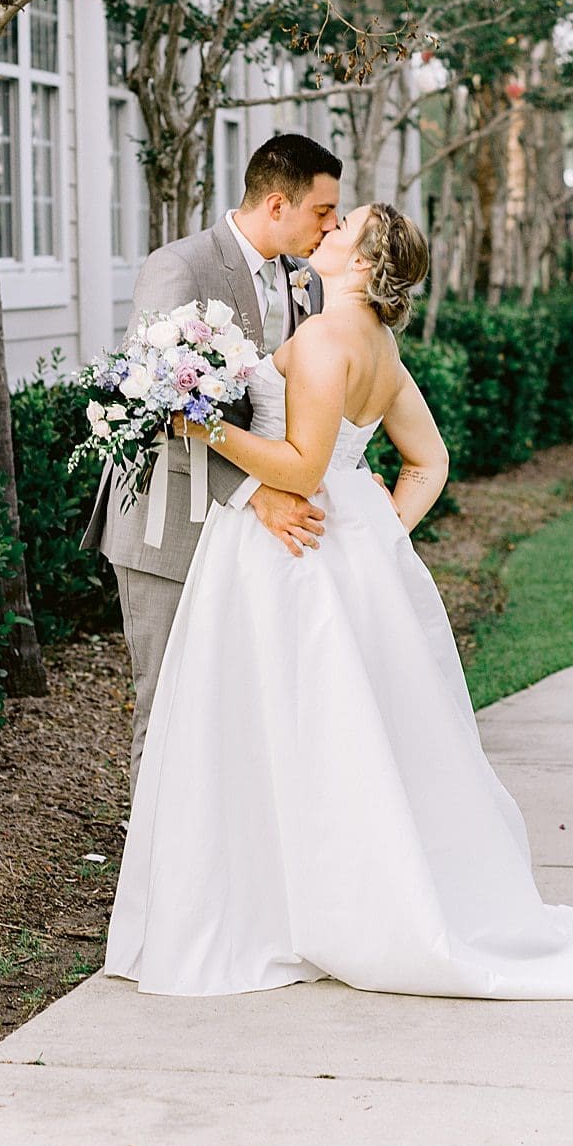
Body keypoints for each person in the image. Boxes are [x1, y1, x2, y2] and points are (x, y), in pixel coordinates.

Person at [106, 202, 573, 999]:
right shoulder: (380, 346)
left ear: (361, 264)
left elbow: (299, 466)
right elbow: (429, 464)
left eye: (340, 229)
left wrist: (198, 426)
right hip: (332, 547)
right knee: (320, 727)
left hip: (284, 555)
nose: (324, 234)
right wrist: (372, 536)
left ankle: (282, 911)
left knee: (274, 720)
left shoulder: (327, 339)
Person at [83, 133, 342, 785]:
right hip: (167, 522)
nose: (332, 225)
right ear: (277, 204)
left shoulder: (306, 283)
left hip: (253, 540)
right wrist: (258, 489)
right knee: (166, 705)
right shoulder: (183, 267)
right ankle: (149, 884)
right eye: (322, 211)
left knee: (229, 710)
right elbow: (150, 405)